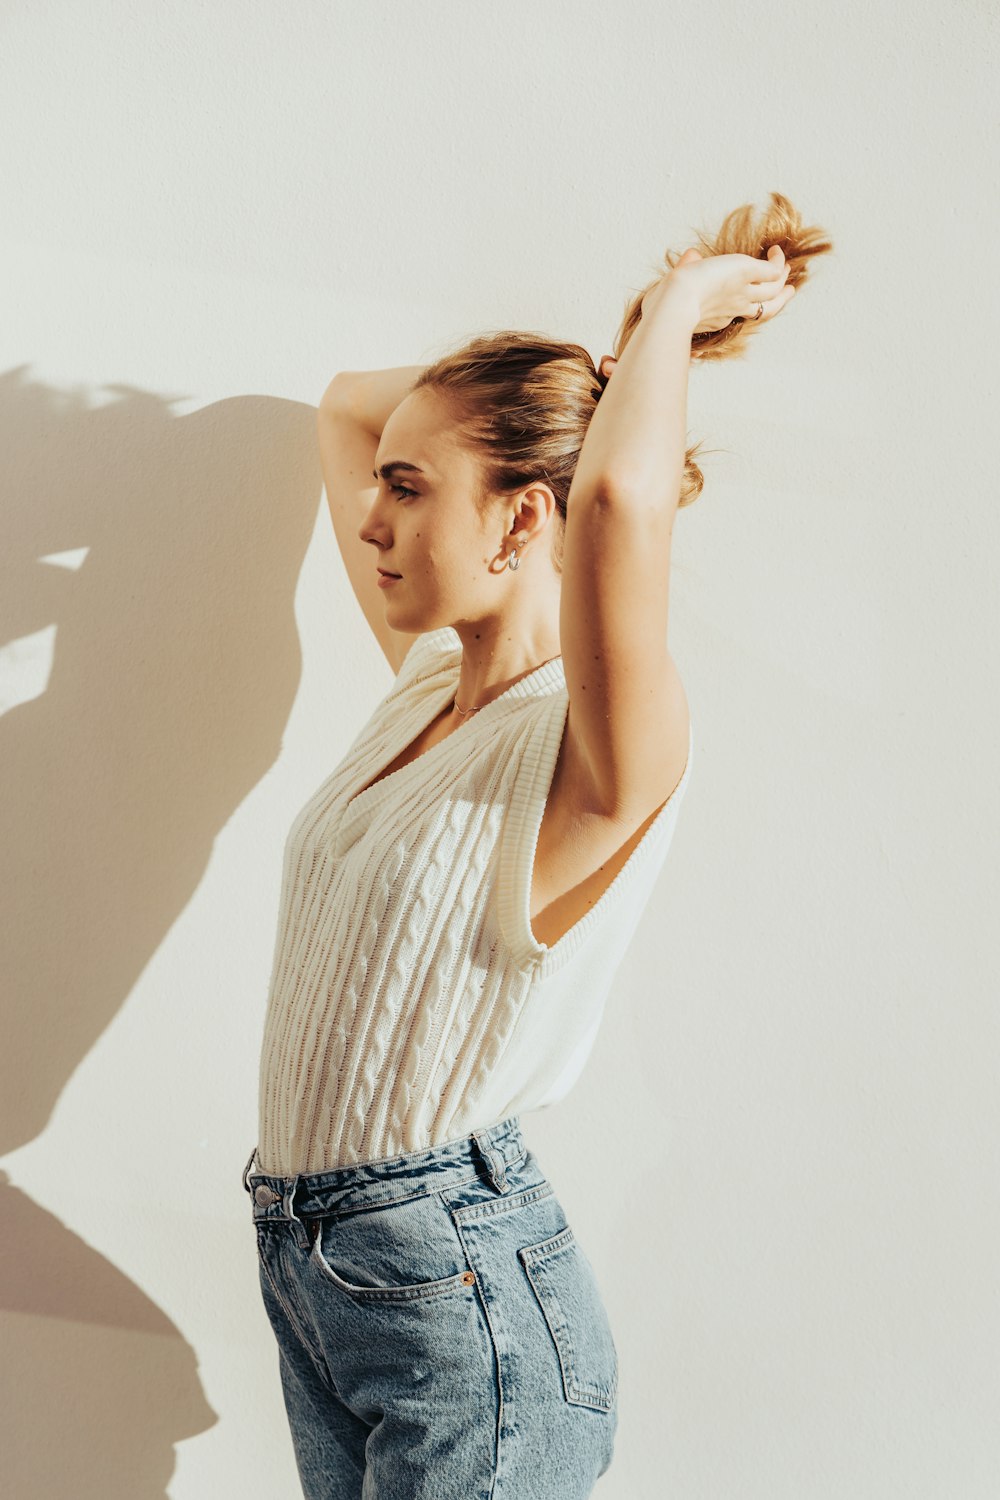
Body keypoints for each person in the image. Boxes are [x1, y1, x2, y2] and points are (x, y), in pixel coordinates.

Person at [242, 194, 824, 1498]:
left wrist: (676, 306)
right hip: (317, 1266)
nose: (371, 518)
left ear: (522, 522)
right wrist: (591, 374)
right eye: (383, 487)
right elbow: (344, 402)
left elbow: (618, 500)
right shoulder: (426, 687)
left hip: (460, 1307)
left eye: (409, 487)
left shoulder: (600, 753)